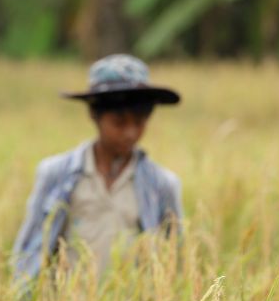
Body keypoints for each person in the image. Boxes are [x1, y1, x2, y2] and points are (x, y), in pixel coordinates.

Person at [12, 54, 183, 283]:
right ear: (95, 115)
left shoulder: (161, 185)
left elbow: (176, 260)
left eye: (139, 122)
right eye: (119, 123)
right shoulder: (57, 174)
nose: (131, 132)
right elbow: (29, 251)